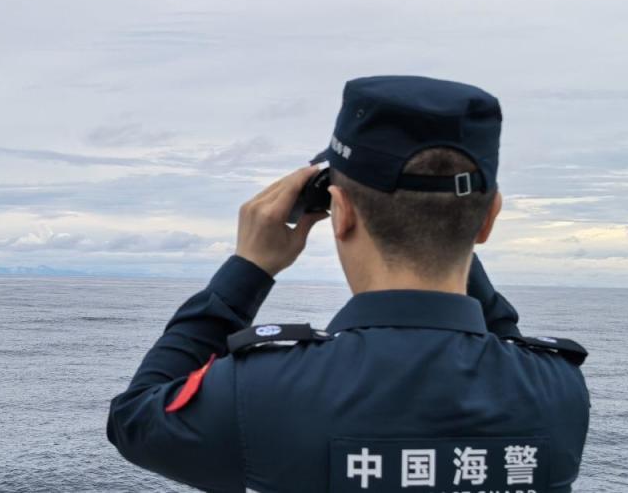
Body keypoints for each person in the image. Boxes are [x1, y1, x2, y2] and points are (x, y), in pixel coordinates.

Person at [105, 76, 590, 493]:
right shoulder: (559, 390)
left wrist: (249, 266)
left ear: (341, 213)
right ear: (488, 222)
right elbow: (503, 337)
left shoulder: (256, 390)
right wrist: (451, 230)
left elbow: (134, 421)